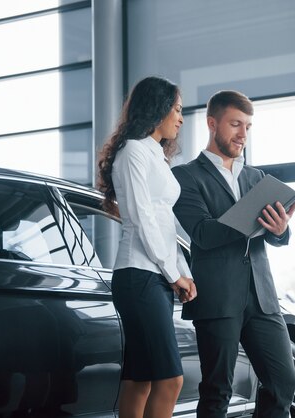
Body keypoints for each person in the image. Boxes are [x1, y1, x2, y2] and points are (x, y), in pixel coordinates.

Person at [171, 90, 295, 418]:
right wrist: (250, 216)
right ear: (212, 124)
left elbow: (277, 238)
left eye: (248, 126)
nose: (243, 134)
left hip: (262, 297)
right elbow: (201, 232)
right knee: (217, 391)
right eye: (235, 124)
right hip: (217, 298)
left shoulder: (257, 178)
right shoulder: (185, 176)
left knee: (283, 382)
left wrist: (280, 228)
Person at [96, 76, 197, 418]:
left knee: (139, 379)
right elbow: (142, 220)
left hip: (150, 277)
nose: (181, 119)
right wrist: (173, 274)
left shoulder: (155, 155)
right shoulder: (134, 152)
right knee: (170, 380)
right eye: (177, 110)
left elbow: (164, 221)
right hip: (139, 276)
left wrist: (183, 272)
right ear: (157, 109)